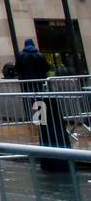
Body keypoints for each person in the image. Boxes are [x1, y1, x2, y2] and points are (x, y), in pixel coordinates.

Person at [15, 38, 71, 168]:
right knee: (40, 100)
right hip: (38, 82)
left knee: (32, 100)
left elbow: (18, 68)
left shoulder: (22, 55)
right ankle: (40, 119)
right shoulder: (39, 55)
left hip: (27, 83)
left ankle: (38, 119)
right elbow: (46, 67)